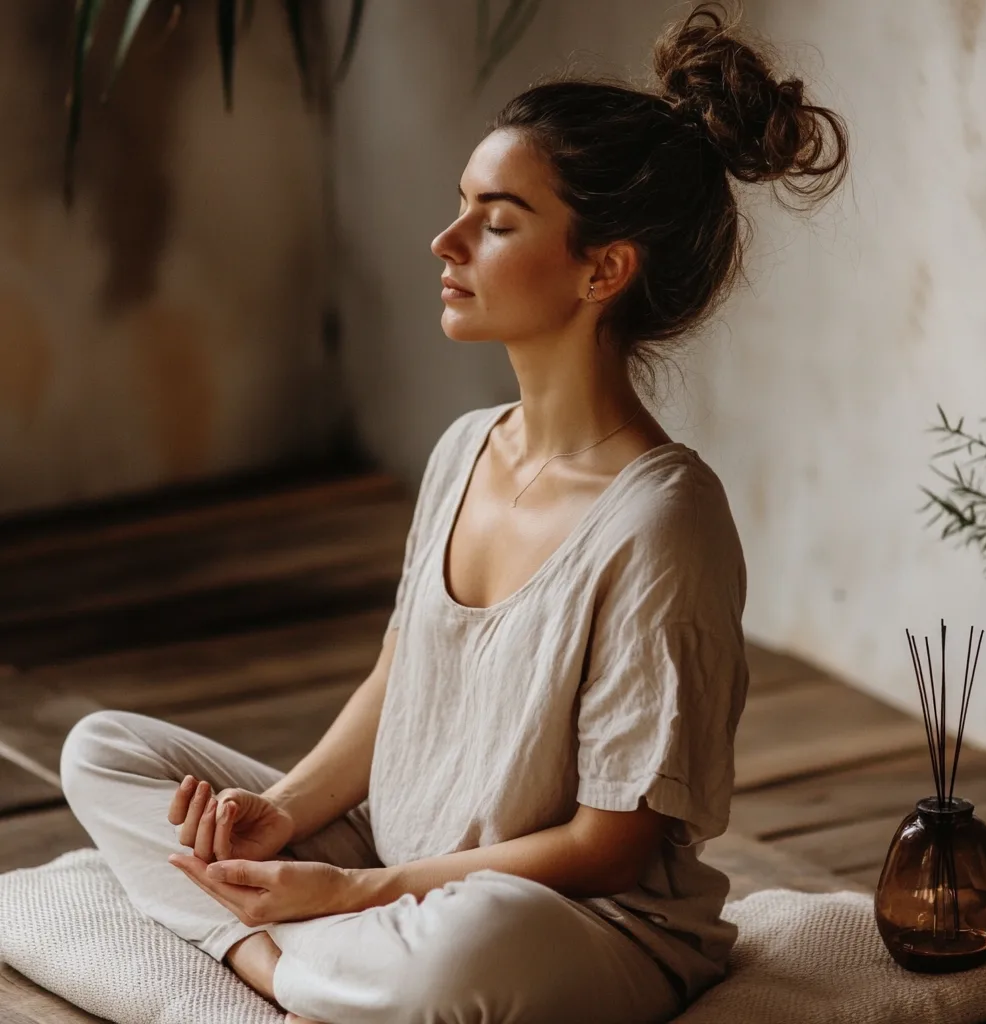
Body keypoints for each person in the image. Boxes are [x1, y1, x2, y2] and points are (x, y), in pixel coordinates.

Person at [59, 5, 849, 1022]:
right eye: (461, 206)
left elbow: (611, 847)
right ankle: (296, 954)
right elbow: (402, 675)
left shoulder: (663, 522)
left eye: (498, 219)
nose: (448, 240)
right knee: (101, 751)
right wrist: (285, 811)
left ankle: (265, 962)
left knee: (468, 953)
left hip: (577, 919)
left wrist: (354, 893)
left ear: (603, 269)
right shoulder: (464, 449)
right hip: (401, 857)